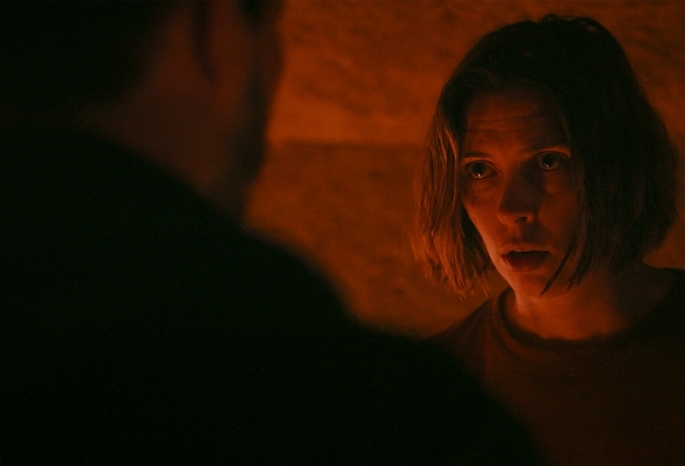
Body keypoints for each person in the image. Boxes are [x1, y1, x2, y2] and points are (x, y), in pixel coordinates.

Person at [0, 2, 540, 464]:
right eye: (273, 33)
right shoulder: (367, 413)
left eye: (547, 162)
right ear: (213, 30)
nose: (515, 207)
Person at [415, 14, 685, 464]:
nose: (511, 208)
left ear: (615, 164)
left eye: (549, 161)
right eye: (480, 170)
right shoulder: (432, 389)